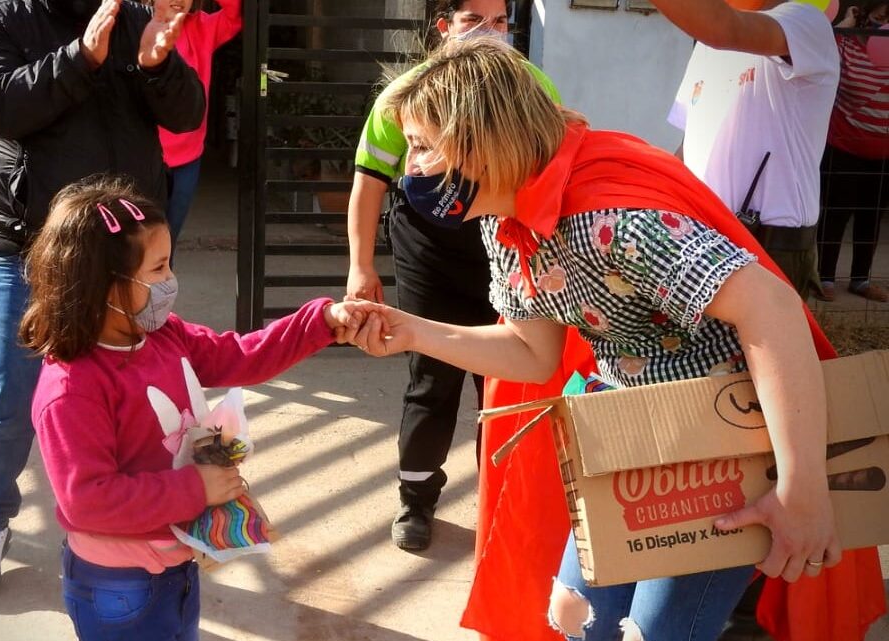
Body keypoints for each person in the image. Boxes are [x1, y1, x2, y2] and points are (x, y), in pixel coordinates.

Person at [353, 37, 885, 641]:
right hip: (633, 435)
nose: (411, 167)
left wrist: (801, 489)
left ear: (480, 138)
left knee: (652, 633)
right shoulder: (505, 222)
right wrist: (411, 331)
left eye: (423, 145)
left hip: (725, 441)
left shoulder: (612, 223)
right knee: (577, 617)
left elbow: (773, 308)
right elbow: (532, 352)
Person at [20, 175, 373, 641]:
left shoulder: (163, 334)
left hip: (176, 563)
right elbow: (88, 499)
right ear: (105, 284)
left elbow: (239, 355)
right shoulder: (72, 389)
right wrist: (194, 488)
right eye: (158, 268)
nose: (170, 281)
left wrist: (321, 321)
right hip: (119, 586)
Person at [0, 0, 206, 593]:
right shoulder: (1, 21)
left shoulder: (134, 19)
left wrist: (157, 67)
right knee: (14, 391)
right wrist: (79, 59)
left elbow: (188, 113)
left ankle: (129, 517)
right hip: (31, 246)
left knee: (135, 388)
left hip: (121, 256)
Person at [346, 0, 562, 551]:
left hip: (500, 233)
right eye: (474, 21)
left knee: (503, 380)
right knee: (433, 373)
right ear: (444, 27)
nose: (489, 32)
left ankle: (501, 501)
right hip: (429, 245)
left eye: (501, 22)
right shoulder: (408, 97)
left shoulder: (530, 87)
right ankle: (416, 499)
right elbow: (369, 181)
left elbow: (549, 172)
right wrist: (360, 265)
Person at [663, 0, 840, 302]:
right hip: (699, 234)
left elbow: (723, 28)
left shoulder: (805, 22)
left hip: (767, 247)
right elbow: (690, 143)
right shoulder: (708, 45)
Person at [154, 0, 242, 260]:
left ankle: (163, 287)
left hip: (187, 157)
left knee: (169, 239)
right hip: (144, 154)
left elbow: (234, 15)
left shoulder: (202, 26)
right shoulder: (135, 25)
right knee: (142, 239)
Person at [815, 0, 889, 302]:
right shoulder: (845, 44)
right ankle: (824, 277)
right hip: (843, 145)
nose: (882, 24)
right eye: (879, 16)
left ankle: (861, 279)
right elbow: (820, 58)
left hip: (883, 154)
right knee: (836, 214)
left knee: (871, 217)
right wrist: (842, 28)